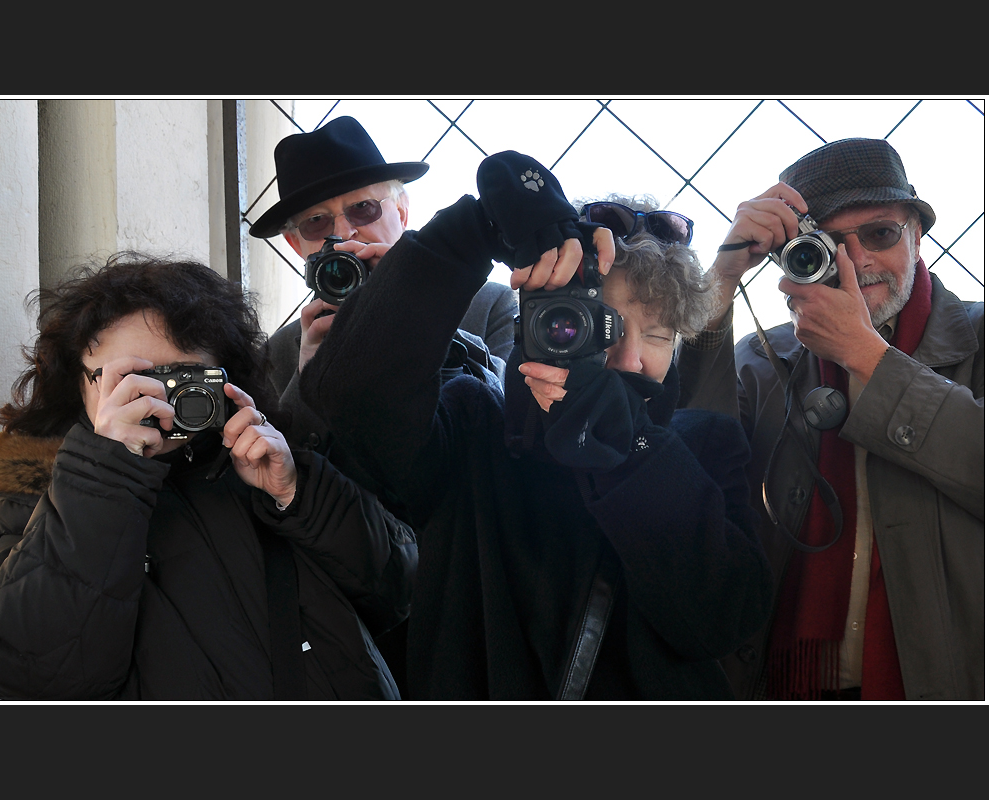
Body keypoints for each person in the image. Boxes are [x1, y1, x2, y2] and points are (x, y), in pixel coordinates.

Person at [300, 151, 773, 700]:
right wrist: (469, 235)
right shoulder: (473, 427)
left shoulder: (704, 444)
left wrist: (632, 451)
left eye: (661, 336)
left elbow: (725, 618)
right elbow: (354, 395)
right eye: (606, 328)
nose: (632, 359)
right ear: (546, 326)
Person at [0, 253, 417, 701]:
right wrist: (107, 476)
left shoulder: (265, 466)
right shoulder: (37, 504)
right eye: (134, 377)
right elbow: (32, 675)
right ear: (80, 385)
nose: (159, 399)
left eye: (184, 377)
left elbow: (400, 589)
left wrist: (297, 494)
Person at [676, 137, 984, 701]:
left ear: (918, 236)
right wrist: (719, 280)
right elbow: (689, 471)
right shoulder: (759, 360)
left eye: (880, 234)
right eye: (825, 244)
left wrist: (867, 357)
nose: (857, 260)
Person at [249, 115, 518, 459]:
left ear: (402, 213)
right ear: (294, 243)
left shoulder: (487, 305)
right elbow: (279, 476)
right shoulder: (280, 354)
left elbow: (510, 420)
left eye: (363, 209)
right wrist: (310, 379)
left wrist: (416, 306)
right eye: (317, 222)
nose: (344, 233)